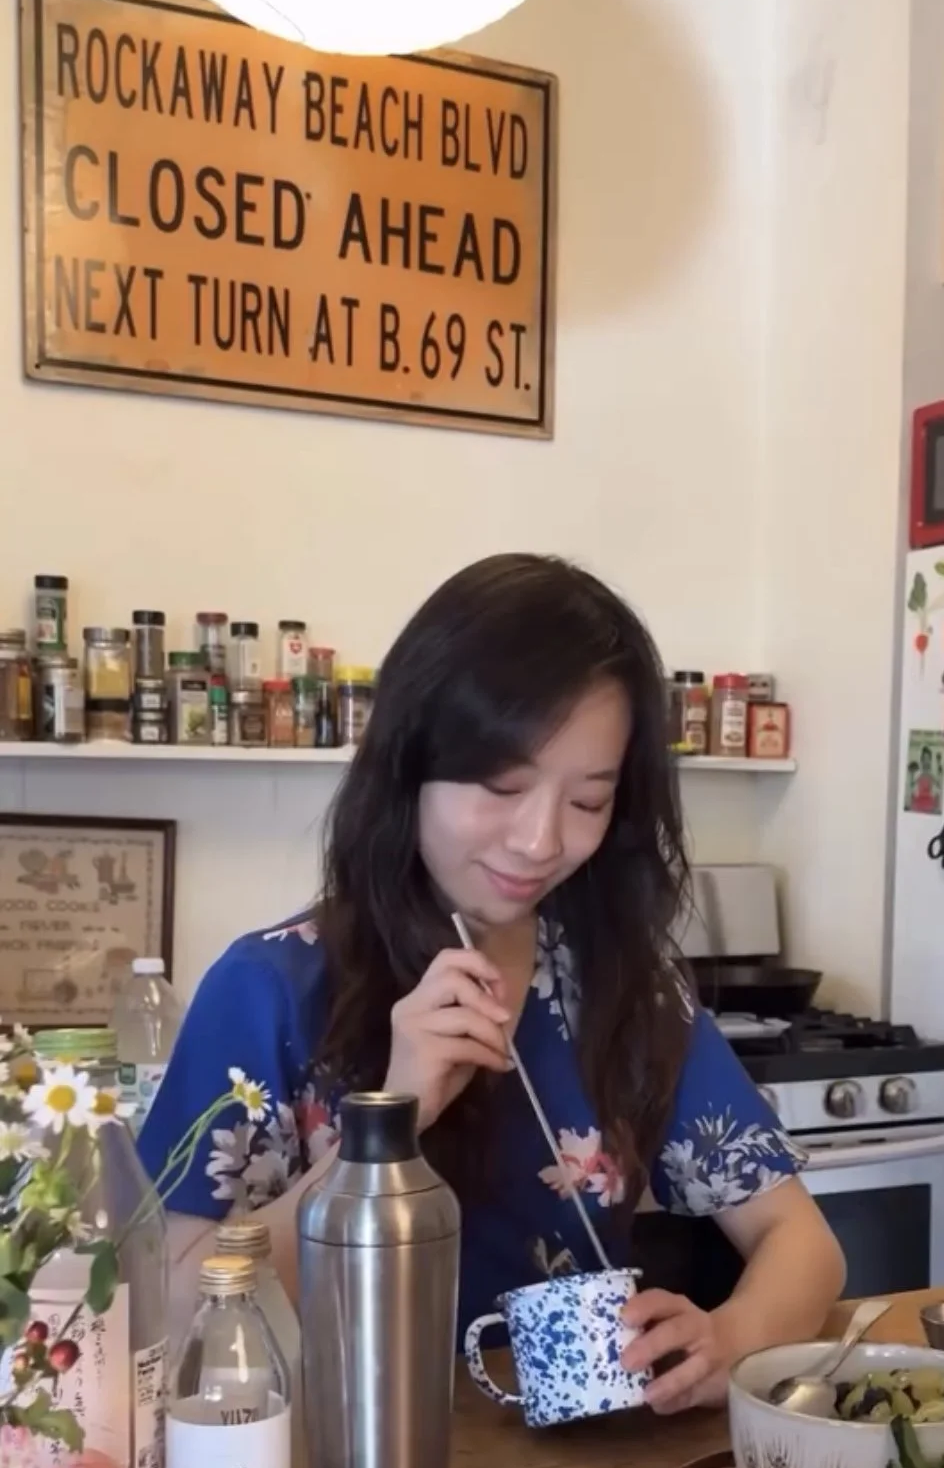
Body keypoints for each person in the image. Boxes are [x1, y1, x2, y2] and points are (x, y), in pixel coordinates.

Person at [140, 555, 844, 1413]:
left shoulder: (624, 982)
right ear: (410, 765)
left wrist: (728, 1339)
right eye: (502, 786)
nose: (540, 840)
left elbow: (802, 1241)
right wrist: (386, 1124)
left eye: (587, 802)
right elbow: (171, 1312)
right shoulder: (269, 989)